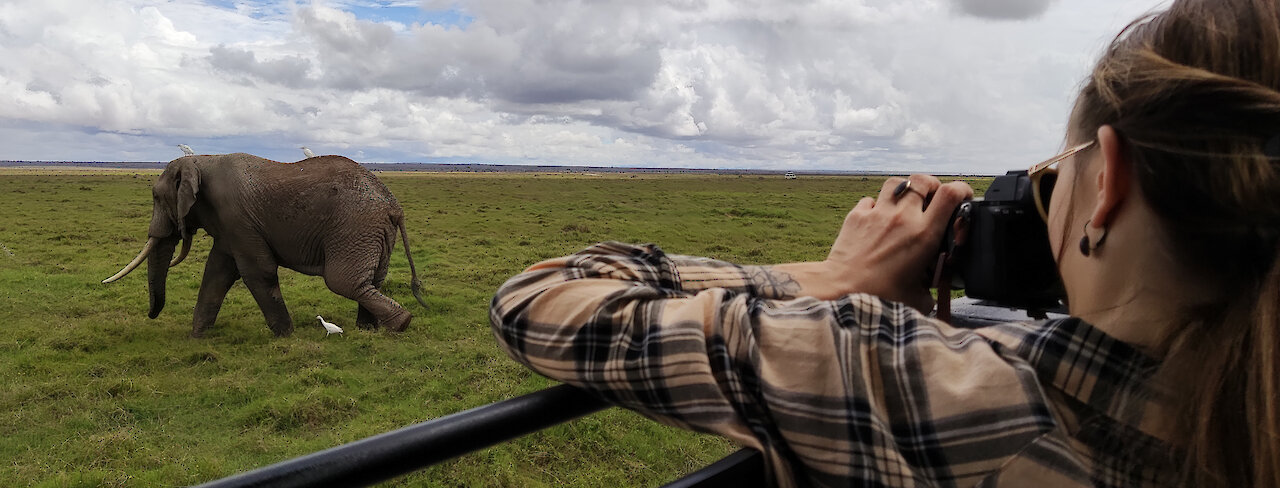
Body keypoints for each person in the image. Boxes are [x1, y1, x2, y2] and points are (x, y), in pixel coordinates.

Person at [489, 0, 1280, 485]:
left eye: (1051, 178)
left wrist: (836, 278)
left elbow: (544, 298)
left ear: (1108, 181)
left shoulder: (933, 386)